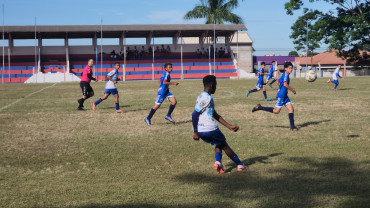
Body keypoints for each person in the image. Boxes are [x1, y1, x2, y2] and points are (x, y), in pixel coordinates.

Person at [192, 75, 248, 174]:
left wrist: (229, 126)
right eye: (216, 85)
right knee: (225, 146)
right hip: (209, 128)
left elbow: (215, 114)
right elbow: (194, 114)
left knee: (218, 143)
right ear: (212, 85)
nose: (216, 87)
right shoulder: (207, 98)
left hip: (202, 131)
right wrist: (194, 132)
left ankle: (218, 163)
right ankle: (240, 164)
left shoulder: (201, 96)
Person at [251, 62, 298, 131]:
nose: (291, 70)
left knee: (291, 109)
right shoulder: (286, 75)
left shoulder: (284, 74)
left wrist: (281, 88)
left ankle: (292, 127)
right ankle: (260, 107)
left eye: (291, 68)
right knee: (276, 111)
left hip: (284, 96)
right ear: (285, 69)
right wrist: (292, 90)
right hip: (281, 96)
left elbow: (278, 82)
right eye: (289, 68)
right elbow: (285, 84)